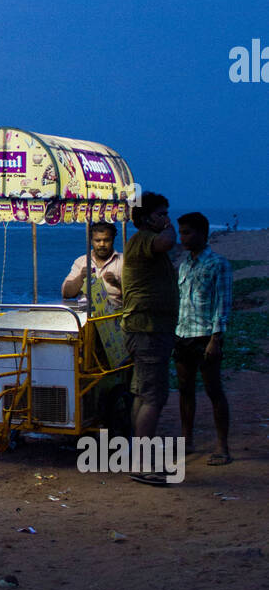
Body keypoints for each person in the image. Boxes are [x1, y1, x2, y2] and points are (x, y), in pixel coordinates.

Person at [121, 193, 179, 484]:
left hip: (149, 329)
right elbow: (168, 242)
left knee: (143, 394)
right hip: (147, 330)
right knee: (154, 397)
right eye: (161, 214)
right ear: (145, 219)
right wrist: (170, 228)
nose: (166, 218)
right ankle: (142, 464)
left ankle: (138, 457)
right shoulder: (144, 239)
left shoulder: (143, 243)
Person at [174, 212, 233, 464]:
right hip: (183, 334)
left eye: (187, 232)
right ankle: (187, 440)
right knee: (185, 390)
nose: (182, 237)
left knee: (213, 390)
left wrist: (216, 339)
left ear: (202, 233)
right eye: (181, 232)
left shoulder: (218, 264)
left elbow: (223, 304)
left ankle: (222, 446)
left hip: (206, 336)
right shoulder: (185, 264)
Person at [61, 221, 123, 309]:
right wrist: (81, 278)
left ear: (113, 240)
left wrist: (116, 283)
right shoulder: (81, 261)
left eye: (106, 240)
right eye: (98, 240)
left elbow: (136, 296)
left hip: (115, 313)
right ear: (91, 241)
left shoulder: (124, 262)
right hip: (85, 313)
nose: (102, 244)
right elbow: (66, 293)